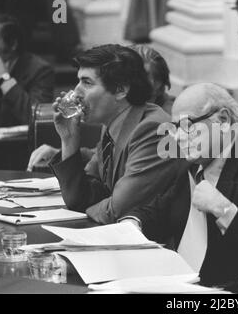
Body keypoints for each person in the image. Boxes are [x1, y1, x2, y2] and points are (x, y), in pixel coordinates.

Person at [120, 82, 238, 287]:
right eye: (174, 128)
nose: (178, 137)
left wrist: (222, 208)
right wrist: (133, 223)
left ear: (223, 120)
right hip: (178, 284)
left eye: (187, 125)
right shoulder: (192, 166)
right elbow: (160, 210)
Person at [48, 44, 178, 224]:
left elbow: (115, 211)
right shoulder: (112, 124)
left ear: (120, 90)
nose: (76, 92)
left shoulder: (153, 129)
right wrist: (69, 139)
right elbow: (79, 197)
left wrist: (86, 208)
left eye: (87, 83)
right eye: (78, 81)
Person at [27, 44, 173, 171]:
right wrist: (64, 150)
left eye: (142, 76)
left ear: (161, 85)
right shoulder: (118, 116)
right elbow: (104, 157)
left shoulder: (179, 118)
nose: (135, 81)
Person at [0, 13, 54, 131]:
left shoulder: (39, 70)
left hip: (14, 146)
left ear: (13, 44)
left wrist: (5, 79)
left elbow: (35, 118)